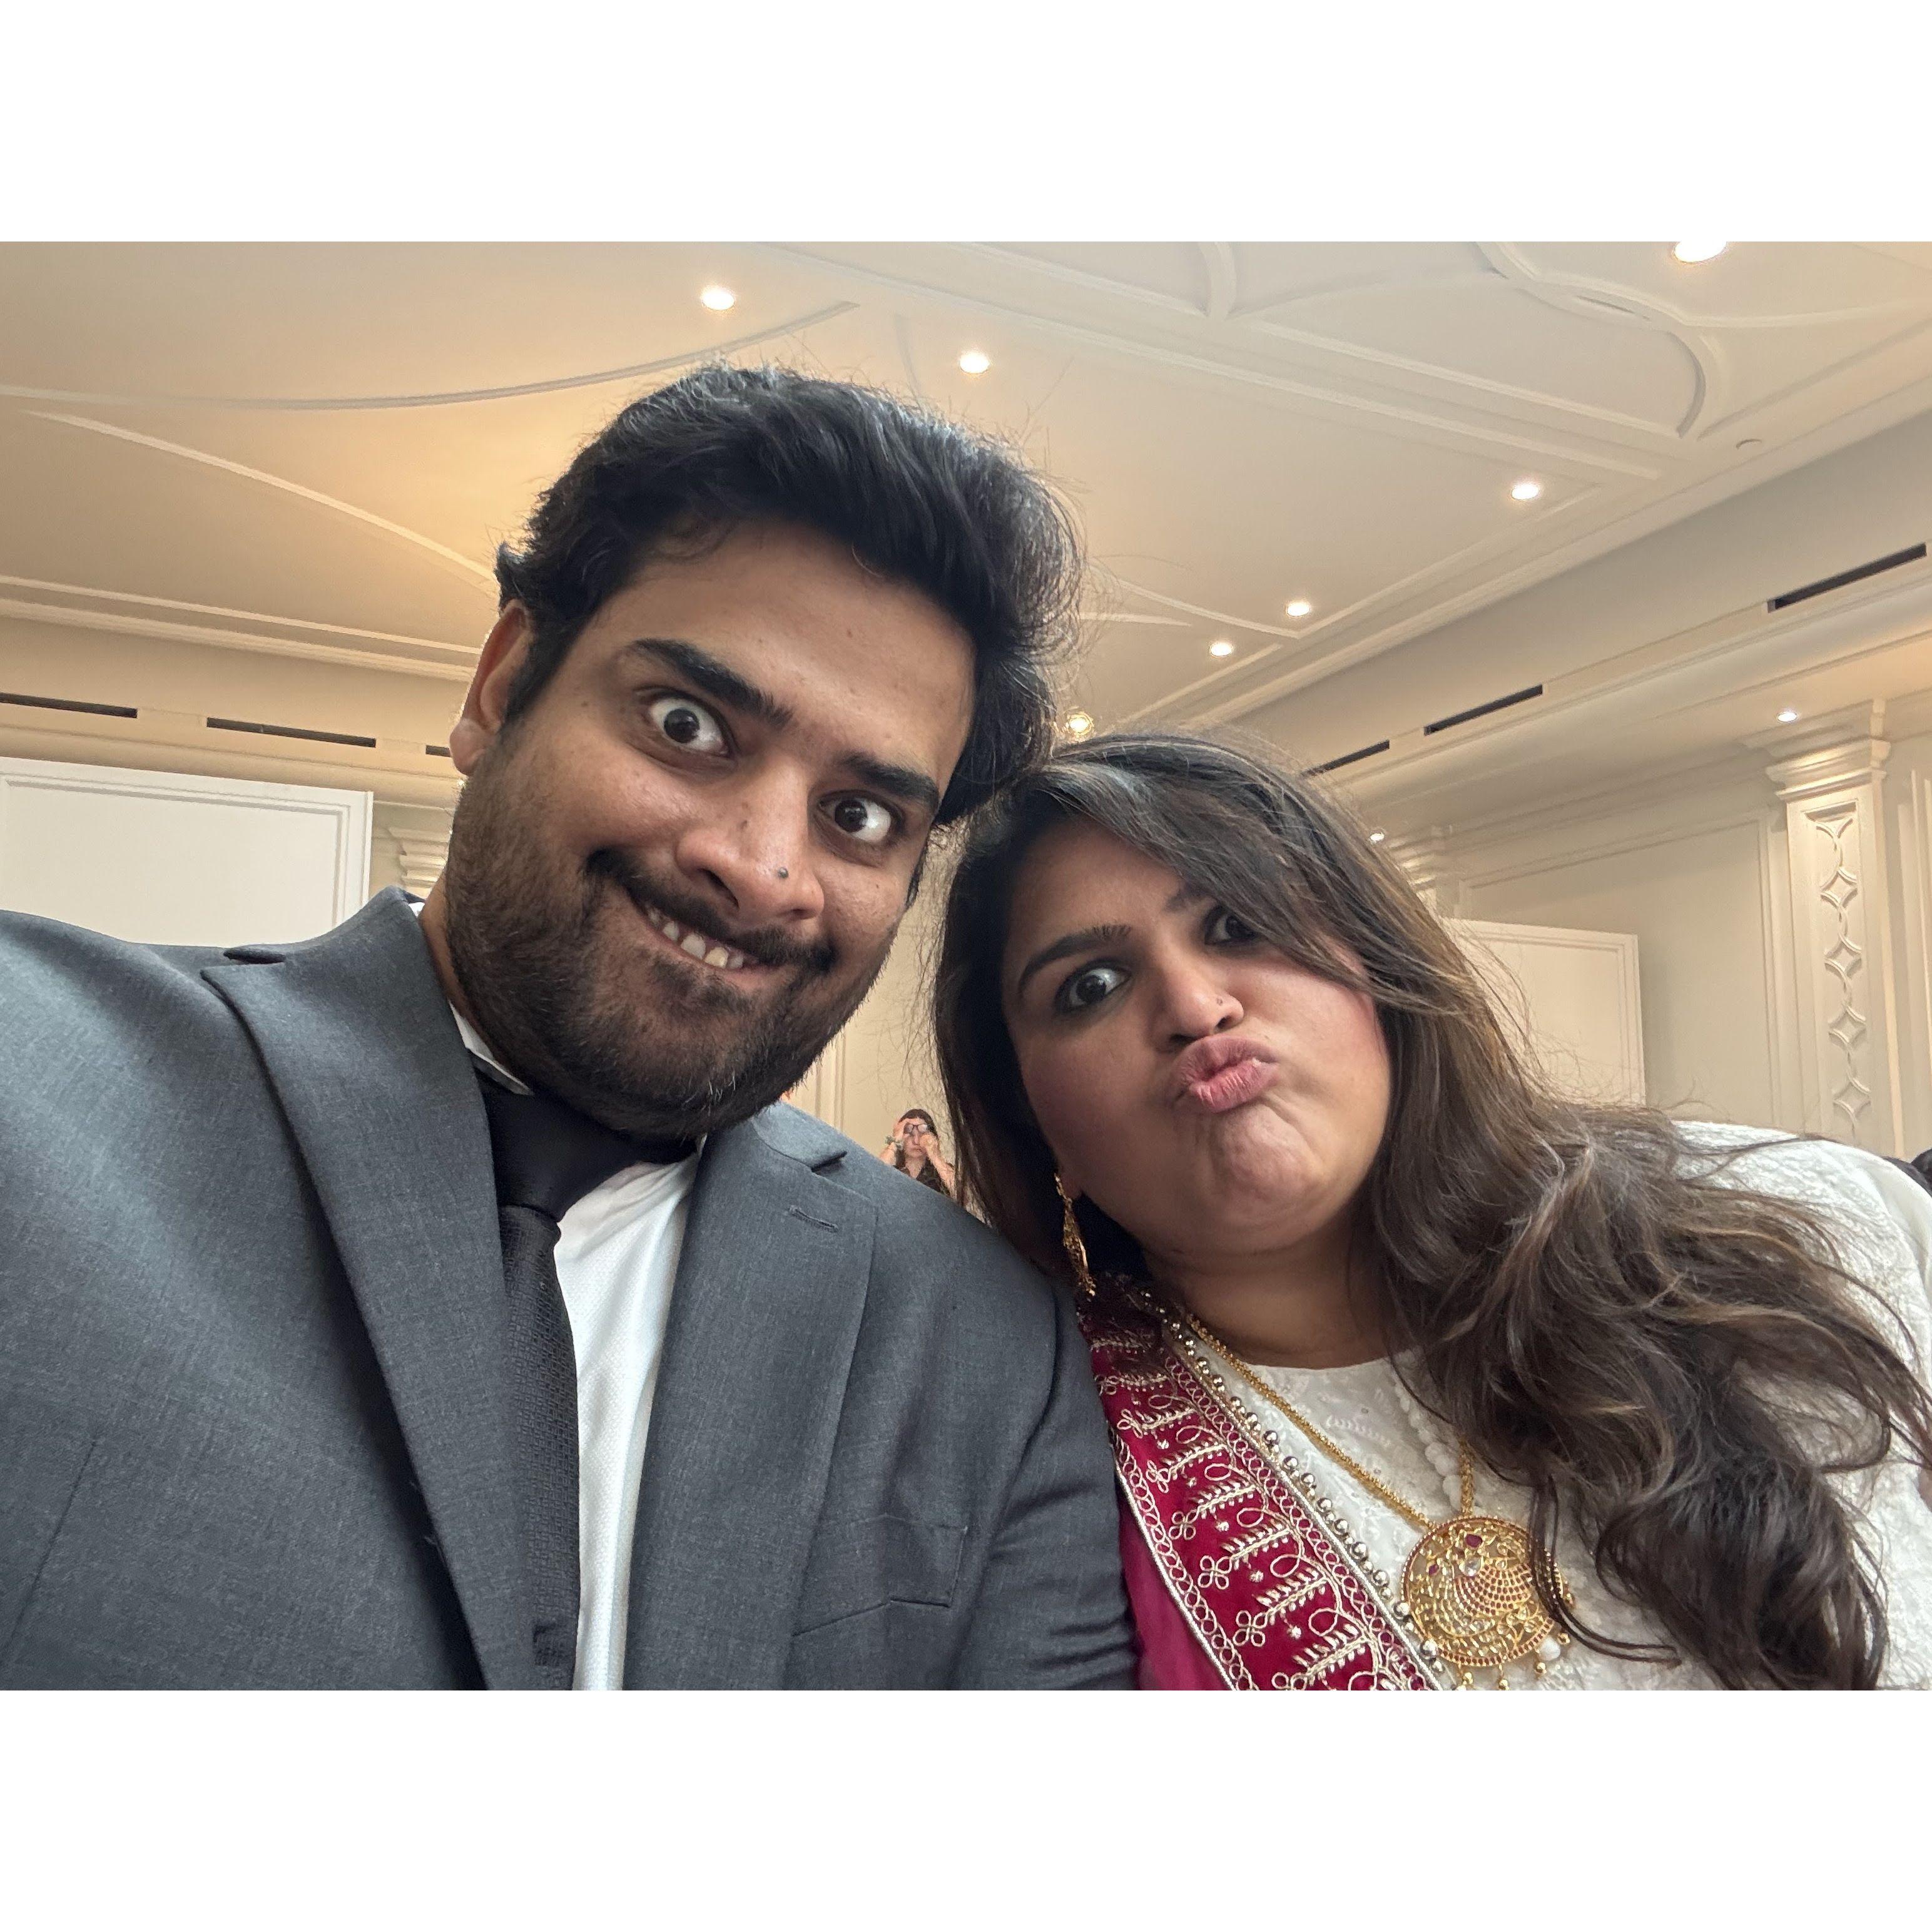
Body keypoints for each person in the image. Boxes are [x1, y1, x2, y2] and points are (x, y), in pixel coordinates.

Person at [0, 365, 1136, 1690]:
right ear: (501, 683)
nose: (760, 867)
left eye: (859, 815)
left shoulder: (984, 1345)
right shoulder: (37, 1072)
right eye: (687, 724)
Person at [934, 730, 1932, 1689]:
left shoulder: (1814, 1227)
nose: (1196, 1007)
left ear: (1375, 966)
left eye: (1239, 923)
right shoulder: (1037, 1467)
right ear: (1030, 1118)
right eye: (1091, 986)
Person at [879, 1107, 956, 1197]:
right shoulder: (892, 1172)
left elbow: (962, 1194)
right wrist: (895, 1141)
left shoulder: (943, 1173)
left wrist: (934, 1154)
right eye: (911, 1135)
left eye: (922, 1135)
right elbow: (872, 1178)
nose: (916, 1141)